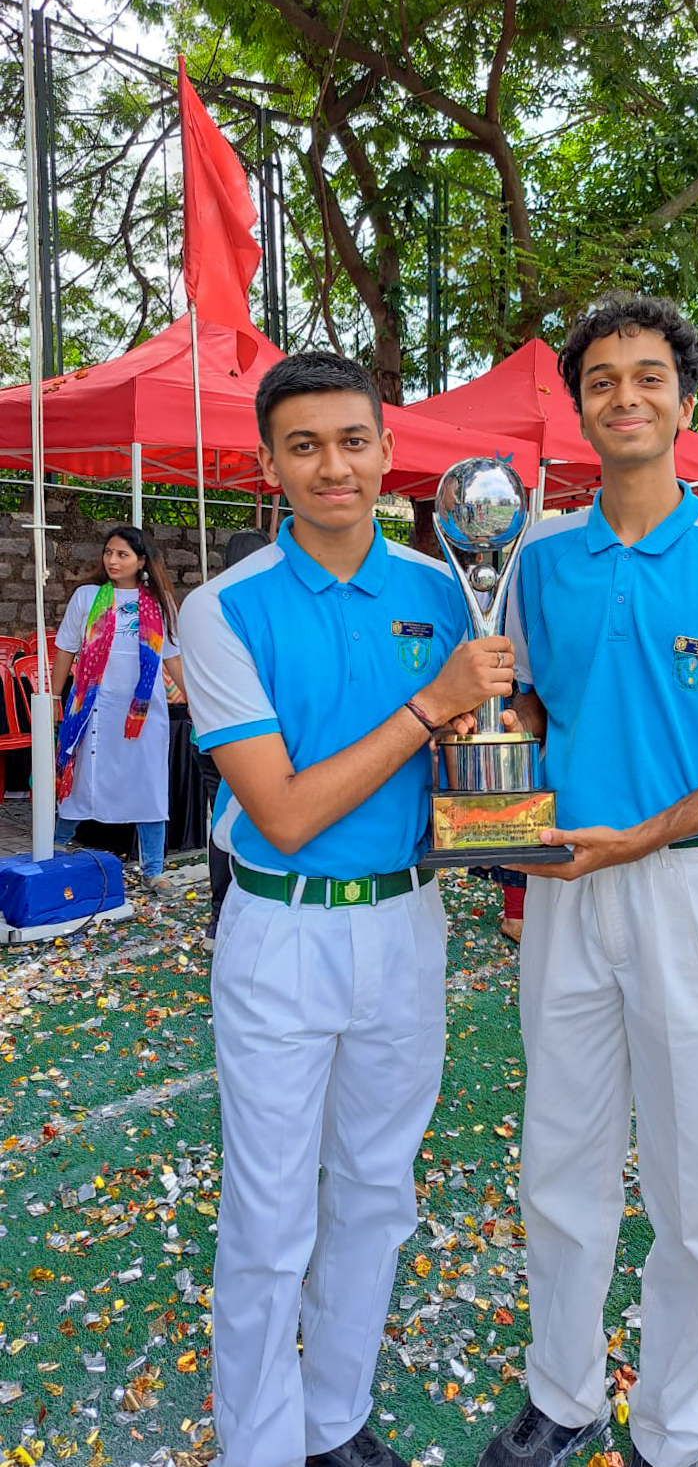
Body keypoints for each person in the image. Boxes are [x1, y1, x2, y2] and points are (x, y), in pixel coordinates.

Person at [475, 294, 698, 1467]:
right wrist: (490, 768)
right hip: (565, 892)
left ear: (683, 398)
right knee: (558, 1162)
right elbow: (523, 710)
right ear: (580, 407)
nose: (624, 396)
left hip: (685, 889)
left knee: (688, 1175)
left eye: (646, 376)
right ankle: (563, 1395)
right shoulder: (533, 555)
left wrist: (645, 832)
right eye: (601, 380)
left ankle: (672, 1420)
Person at [178, 351, 513, 1467]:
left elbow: (478, 752)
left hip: (410, 923)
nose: (335, 466)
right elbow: (279, 812)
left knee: (376, 1192)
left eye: (354, 441)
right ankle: (258, 1446)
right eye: (306, 445)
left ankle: (334, 1418)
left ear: (385, 451)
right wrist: (435, 703)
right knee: (271, 1218)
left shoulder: (442, 586)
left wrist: (506, 766)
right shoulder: (222, 612)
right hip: (281, 928)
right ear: (268, 463)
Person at [52, 525, 184, 891]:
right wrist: (52, 699)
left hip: (142, 714)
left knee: (149, 784)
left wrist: (198, 701)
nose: (112, 560)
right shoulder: (87, 597)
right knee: (79, 782)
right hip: (92, 709)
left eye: (122, 554)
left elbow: (173, 659)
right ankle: (53, 848)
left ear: (141, 561)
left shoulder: (159, 604)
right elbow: (65, 648)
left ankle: (152, 870)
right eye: (108, 552)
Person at [192, 526, 272, 948]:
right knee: (234, 819)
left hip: (210, 735)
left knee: (223, 820)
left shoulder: (213, 601)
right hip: (244, 734)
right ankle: (224, 915)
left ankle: (220, 916)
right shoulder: (249, 604)